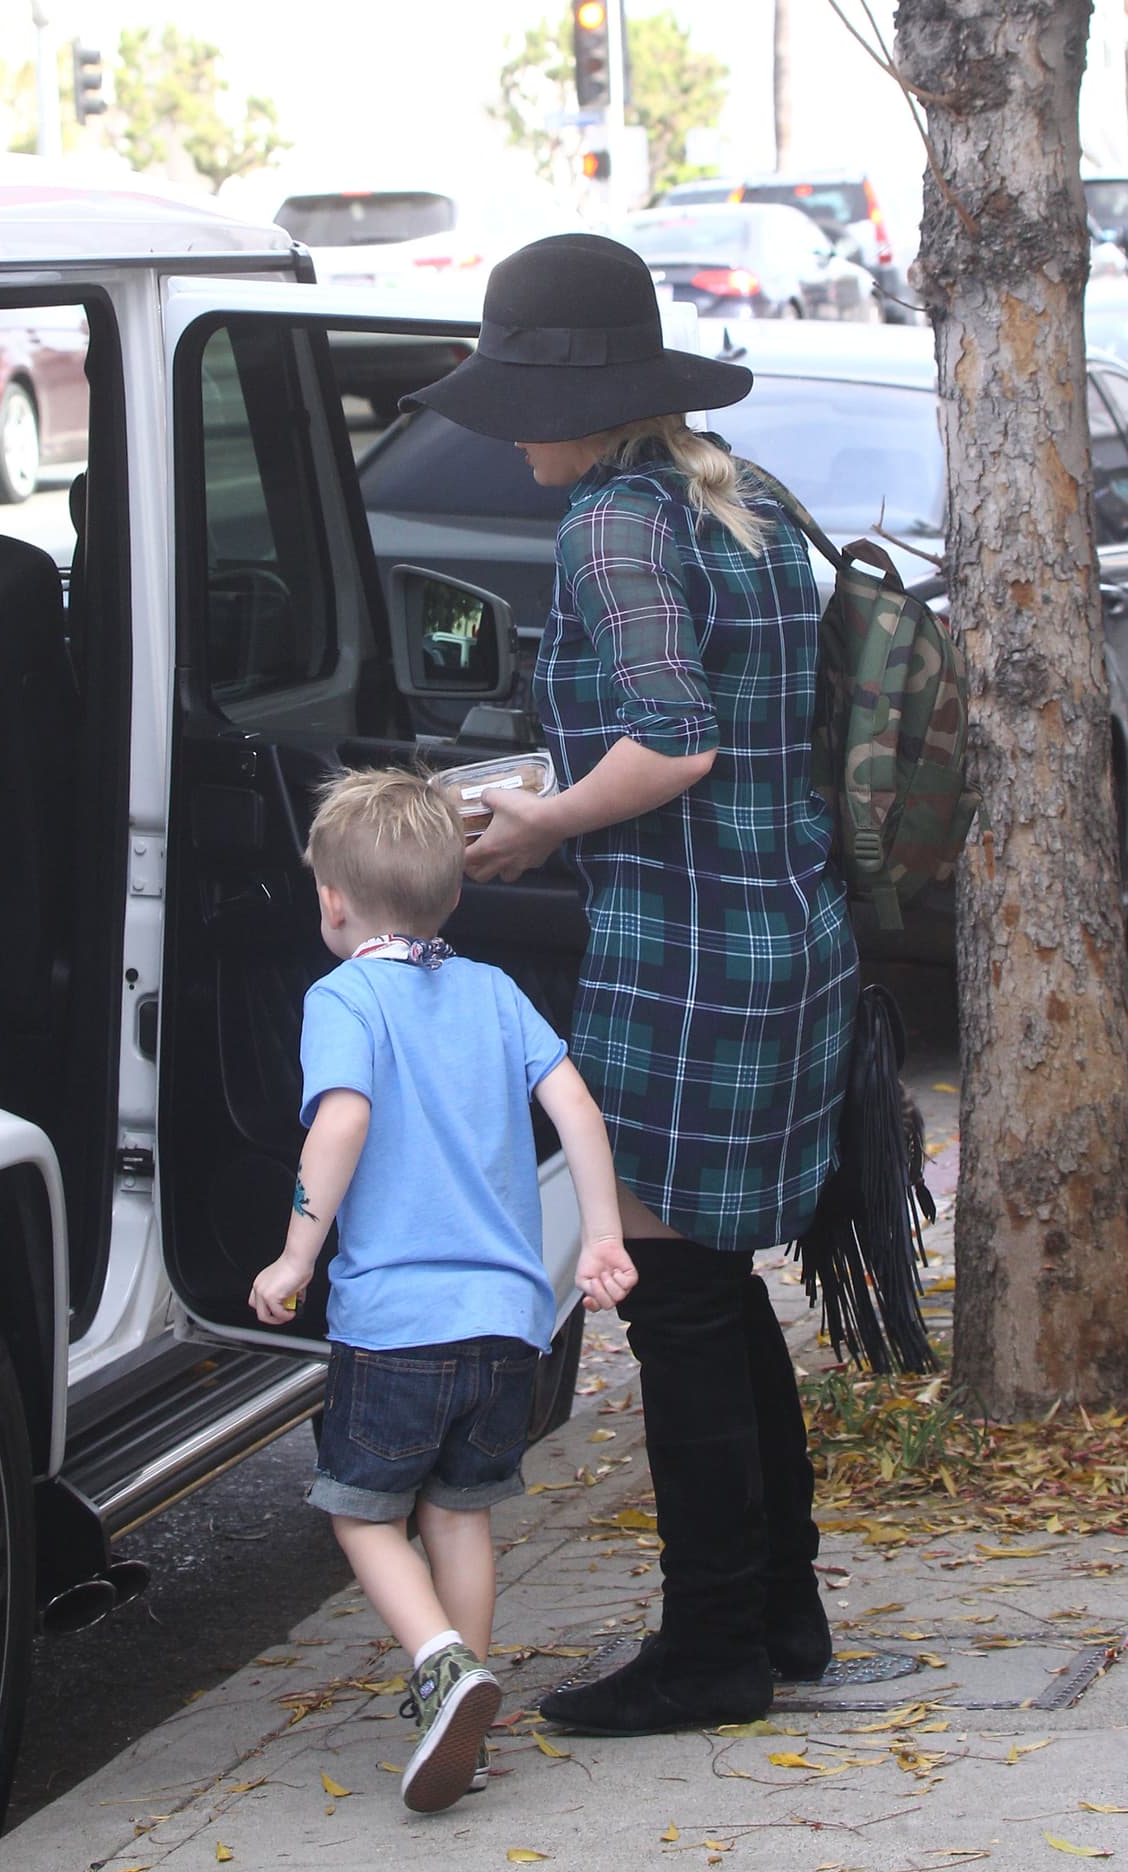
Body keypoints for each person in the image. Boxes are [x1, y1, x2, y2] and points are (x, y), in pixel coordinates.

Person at [400, 233, 860, 1736]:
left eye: (521, 390)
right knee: (715, 1301)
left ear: (578, 394)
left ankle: (715, 1650)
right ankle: (779, 1616)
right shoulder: (741, 498)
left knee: (673, 1305)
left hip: (690, 962)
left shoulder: (612, 523)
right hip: (785, 934)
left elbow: (675, 740)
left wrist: (537, 821)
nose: (507, 422)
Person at [248, 766, 637, 1812]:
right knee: (459, 1516)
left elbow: (339, 1123)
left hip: (396, 1323)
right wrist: (598, 1238)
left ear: (330, 900)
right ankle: (463, 1686)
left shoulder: (341, 999)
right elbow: (579, 1114)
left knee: (364, 1515)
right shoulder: (495, 992)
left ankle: (439, 1663)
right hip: (508, 1324)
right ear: (452, 894)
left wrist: (295, 1256)